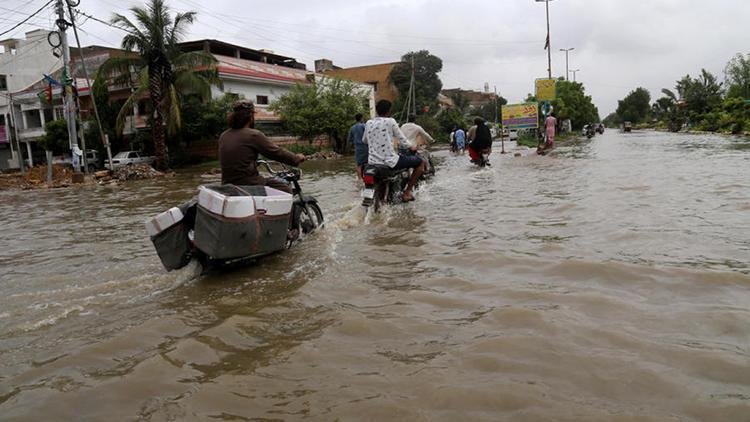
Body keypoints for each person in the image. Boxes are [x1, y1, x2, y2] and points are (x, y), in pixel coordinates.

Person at [218, 100, 305, 193]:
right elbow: (276, 152)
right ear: (251, 116)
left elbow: (236, 156)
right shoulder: (253, 135)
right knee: (285, 188)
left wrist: (254, 163)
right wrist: (296, 158)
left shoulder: (224, 135)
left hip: (227, 183)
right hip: (248, 183)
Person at [363, 100, 426, 202]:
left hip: (371, 164)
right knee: (420, 162)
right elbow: (402, 140)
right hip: (390, 161)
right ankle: (407, 192)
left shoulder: (369, 122)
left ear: (377, 111)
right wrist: (411, 147)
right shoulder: (390, 121)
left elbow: (364, 140)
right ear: (388, 112)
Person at [347, 113, 367, 178]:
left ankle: (359, 180)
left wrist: (350, 148)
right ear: (361, 118)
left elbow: (349, 139)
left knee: (359, 165)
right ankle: (367, 179)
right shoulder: (364, 126)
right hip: (366, 148)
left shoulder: (352, 128)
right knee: (368, 164)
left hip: (358, 149)